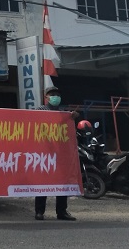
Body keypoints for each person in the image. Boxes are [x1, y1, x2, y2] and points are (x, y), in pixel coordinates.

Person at [34, 85, 77, 221]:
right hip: (45, 151)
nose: (55, 97)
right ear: (46, 97)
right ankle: (39, 212)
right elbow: (31, 120)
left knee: (61, 182)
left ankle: (61, 212)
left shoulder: (63, 112)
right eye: (52, 94)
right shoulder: (40, 110)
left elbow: (70, 122)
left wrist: (74, 116)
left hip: (60, 153)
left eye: (57, 94)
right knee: (43, 182)